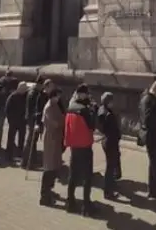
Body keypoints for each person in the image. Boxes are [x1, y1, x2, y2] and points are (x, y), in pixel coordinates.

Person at [64, 84, 97, 216]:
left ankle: (70, 203)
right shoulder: (84, 110)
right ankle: (86, 206)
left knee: (73, 175)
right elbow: (92, 126)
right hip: (85, 146)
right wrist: (93, 110)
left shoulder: (70, 108)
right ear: (83, 94)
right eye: (87, 94)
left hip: (74, 146)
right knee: (87, 176)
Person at [40, 87, 65, 206]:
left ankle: (49, 190)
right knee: (49, 167)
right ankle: (44, 195)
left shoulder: (56, 105)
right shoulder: (49, 107)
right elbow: (55, 123)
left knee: (54, 166)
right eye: (57, 95)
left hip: (56, 138)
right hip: (50, 139)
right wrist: (64, 122)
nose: (58, 98)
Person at [22, 76, 53, 169]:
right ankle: (26, 162)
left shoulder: (35, 92)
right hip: (33, 120)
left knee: (33, 140)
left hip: (33, 119)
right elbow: (34, 109)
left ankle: (31, 160)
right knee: (30, 141)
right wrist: (36, 122)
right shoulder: (34, 93)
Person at [97, 91, 122, 200]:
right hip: (110, 141)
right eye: (112, 101)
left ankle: (110, 186)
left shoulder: (103, 110)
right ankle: (108, 191)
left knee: (111, 165)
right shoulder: (107, 114)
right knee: (110, 167)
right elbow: (111, 129)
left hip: (107, 140)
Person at [5, 81, 29, 161]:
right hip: (14, 121)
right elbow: (7, 109)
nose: (24, 90)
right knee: (11, 138)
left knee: (21, 138)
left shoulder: (26, 96)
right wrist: (10, 120)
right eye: (22, 89)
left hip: (22, 121)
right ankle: (9, 154)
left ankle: (19, 153)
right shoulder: (13, 96)